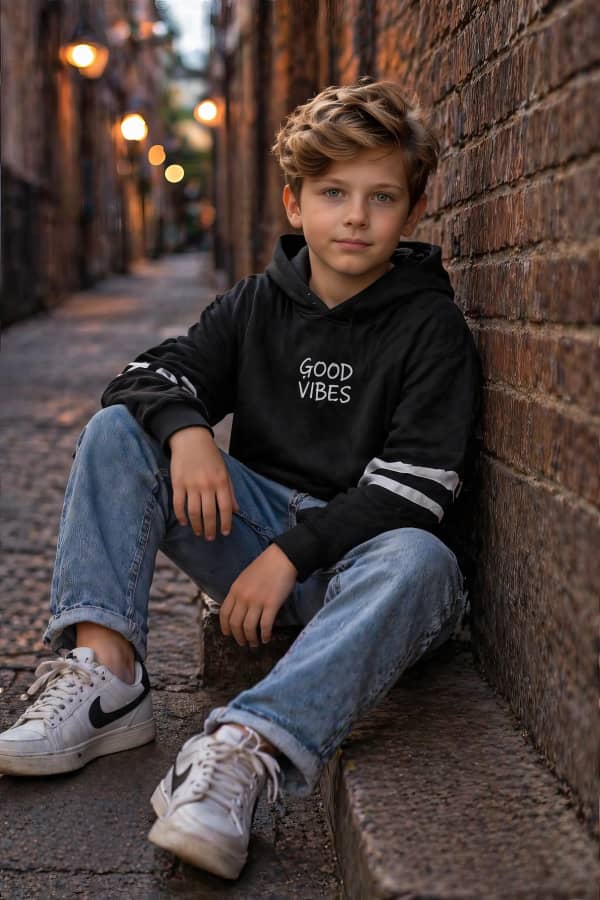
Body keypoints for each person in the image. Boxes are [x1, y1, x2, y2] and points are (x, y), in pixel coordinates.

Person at [0, 78, 480, 880]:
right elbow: (148, 374)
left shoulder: (431, 327)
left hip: (359, 573)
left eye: (381, 196)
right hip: (255, 540)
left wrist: (290, 553)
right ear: (295, 204)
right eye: (333, 193)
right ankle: (107, 674)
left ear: (414, 210)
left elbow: (419, 487)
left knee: (423, 561)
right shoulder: (258, 304)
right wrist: (188, 433)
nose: (356, 217)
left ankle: (241, 752)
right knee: (122, 430)